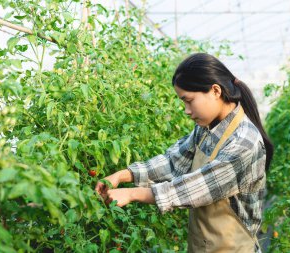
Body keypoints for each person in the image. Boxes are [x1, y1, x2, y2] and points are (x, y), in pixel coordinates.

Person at [95, 53, 274, 253]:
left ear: (215, 90)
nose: (187, 110)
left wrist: (133, 193)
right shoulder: (207, 129)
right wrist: (123, 175)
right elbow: (173, 162)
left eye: (189, 101)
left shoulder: (244, 141)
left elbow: (197, 187)